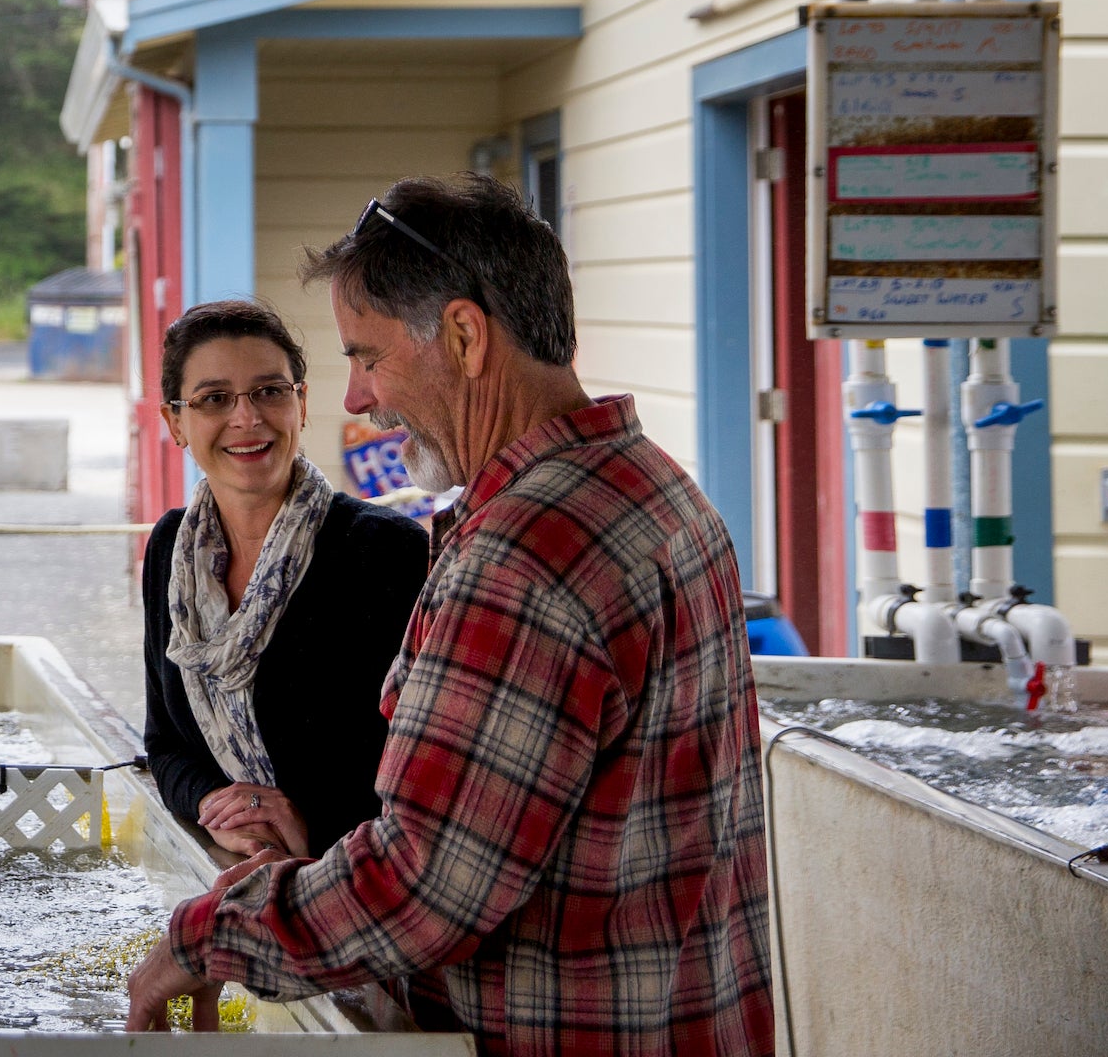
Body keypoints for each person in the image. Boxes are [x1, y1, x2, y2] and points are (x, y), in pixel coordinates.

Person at [128, 175, 774, 1056]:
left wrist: (202, 938)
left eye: (367, 356)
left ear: (465, 336)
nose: (359, 399)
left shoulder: (521, 558)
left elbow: (420, 889)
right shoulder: (660, 489)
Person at [140, 298, 428, 863]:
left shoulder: (387, 553)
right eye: (214, 399)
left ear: (301, 404)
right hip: (237, 871)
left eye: (270, 391)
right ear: (176, 422)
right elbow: (165, 746)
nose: (247, 418)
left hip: (366, 888)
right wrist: (220, 808)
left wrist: (310, 819)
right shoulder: (170, 551)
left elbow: (427, 776)